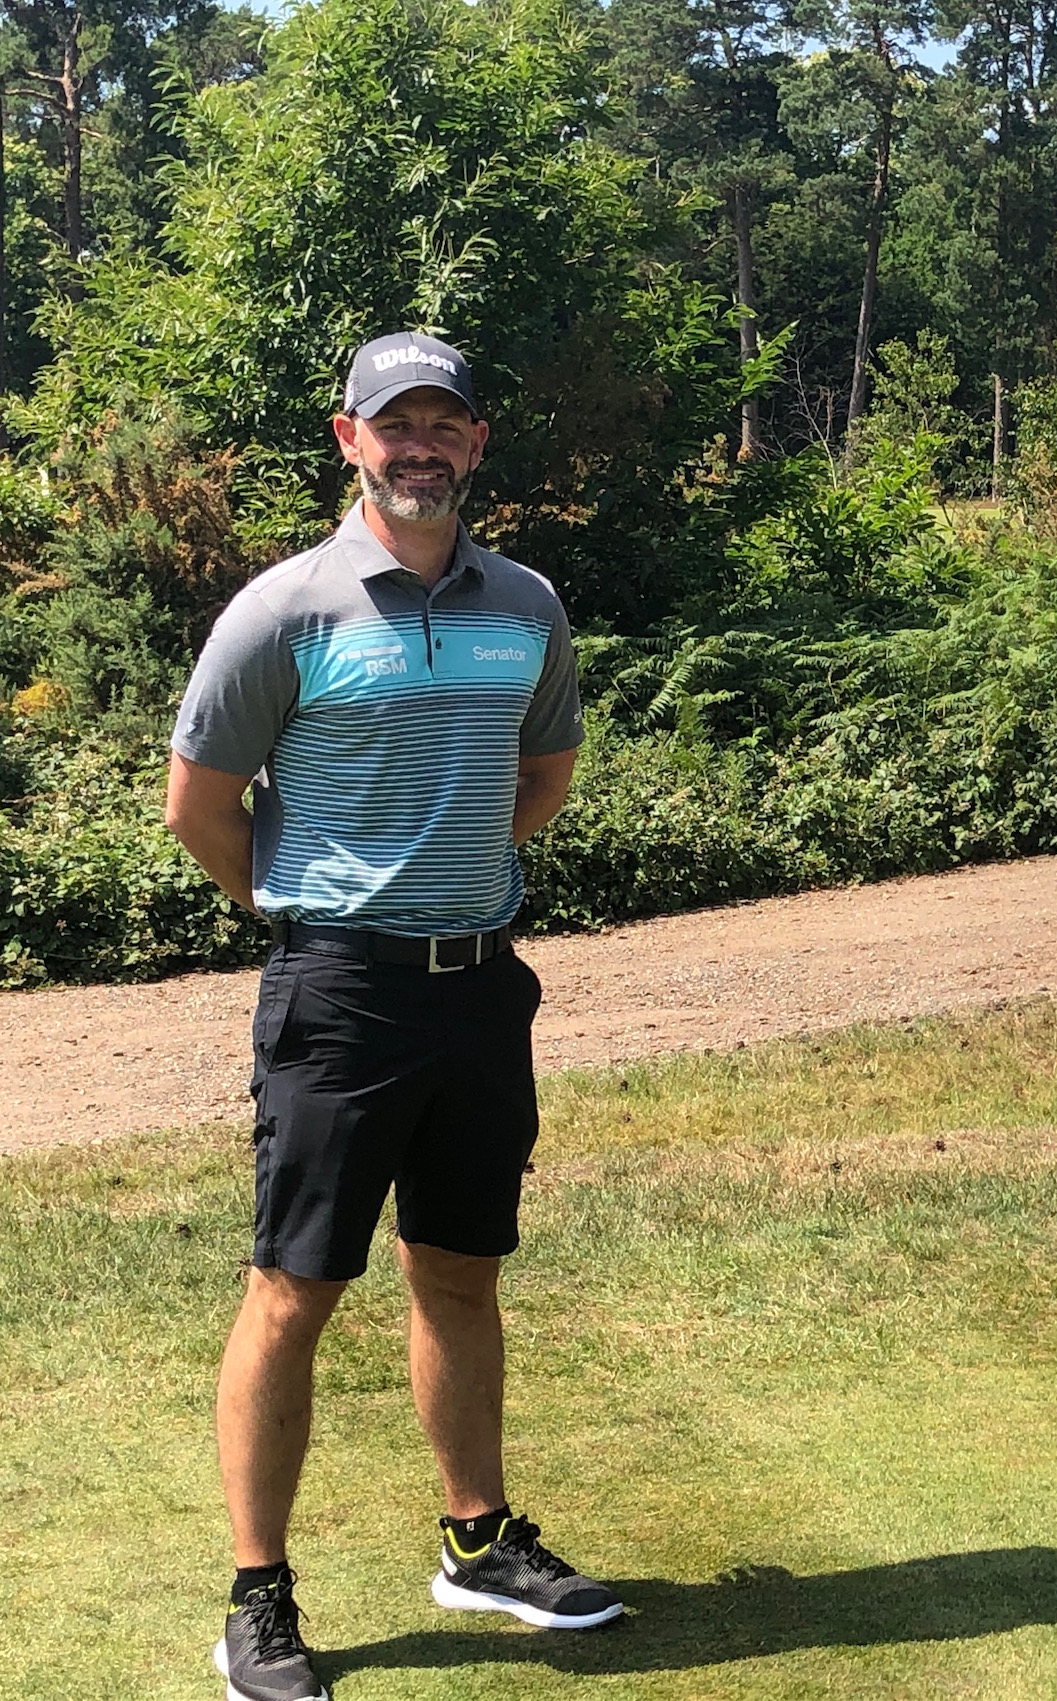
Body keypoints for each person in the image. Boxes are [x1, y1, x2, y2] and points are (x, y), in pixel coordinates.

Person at [168, 333, 620, 1701]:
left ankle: (478, 1541)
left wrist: (450, 881)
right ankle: (258, 1592)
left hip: (480, 985)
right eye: (394, 424)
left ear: (476, 443)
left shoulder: (526, 603)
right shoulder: (285, 610)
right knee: (296, 1288)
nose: (420, 445)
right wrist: (324, 912)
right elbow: (200, 804)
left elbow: (543, 769)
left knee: (461, 1269)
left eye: (445, 424)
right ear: (347, 437)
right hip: (342, 993)